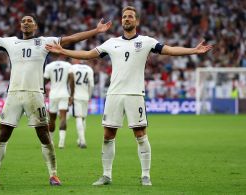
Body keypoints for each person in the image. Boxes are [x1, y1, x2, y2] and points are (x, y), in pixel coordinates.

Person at [46, 6, 213, 186]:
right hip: (114, 94)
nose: (127, 19)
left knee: (140, 134)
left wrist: (193, 51)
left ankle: (146, 175)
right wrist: (63, 52)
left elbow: (170, 49)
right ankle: (106, 175)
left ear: (137, 21)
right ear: (121, 21)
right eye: (124, 16)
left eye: (130, 16)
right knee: (108, 134)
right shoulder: (111, 43)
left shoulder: (147, 41)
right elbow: (88, 54)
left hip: (135, 94)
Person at [0, 13, 111, 186]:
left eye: (30, 21)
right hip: (14, 94)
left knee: (44, 135)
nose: (26, 23)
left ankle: (53, 174)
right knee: (3, 133)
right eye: (23, 21)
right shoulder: (11, 42)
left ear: (35, 27)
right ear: (20, 26)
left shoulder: (44, 42)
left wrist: (96, 30)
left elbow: (72, 38)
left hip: (35, 94)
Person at [44, 58, 72, 149]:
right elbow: (71, 80)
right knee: (63, 117)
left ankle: (50, 141)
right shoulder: (67, 65)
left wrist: (42, 92)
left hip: (53, 94)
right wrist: (71, 95)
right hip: (64, 93)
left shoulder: (49, 66)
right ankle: (61, 143)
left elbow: (44, 81)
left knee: (52, 119)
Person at [68, 59, 94, 149]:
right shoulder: (89, 69)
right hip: (85, 96)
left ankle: (82, 141)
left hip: (76, 96)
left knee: (78, 117)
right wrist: (89, 96)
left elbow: (70, 82)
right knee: (83, 118)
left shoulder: (72, 67)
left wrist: (70, 95)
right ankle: (80, 139)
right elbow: (92, 85)